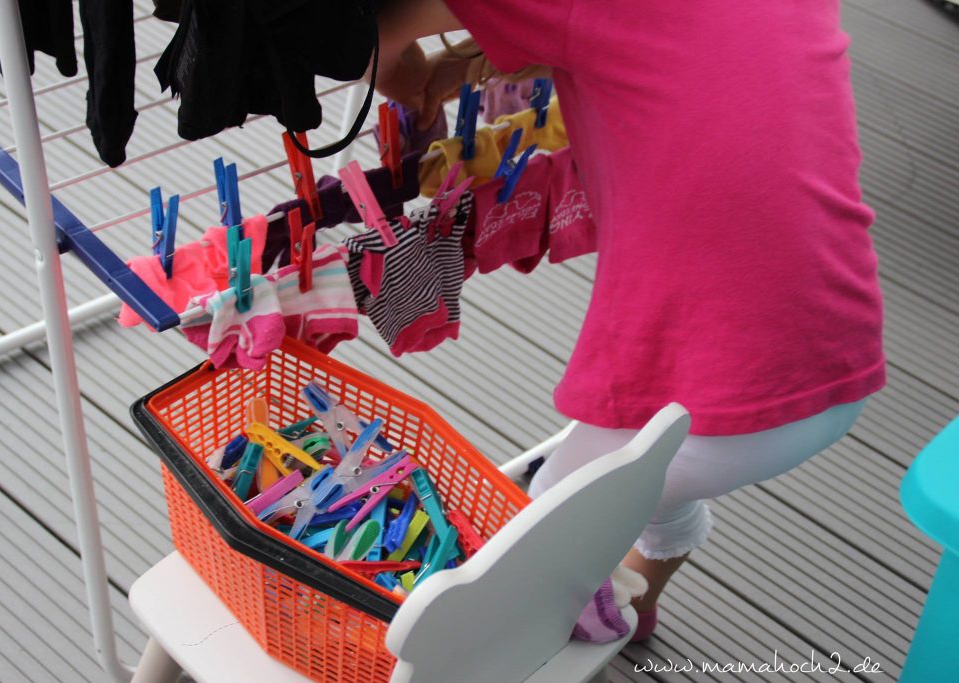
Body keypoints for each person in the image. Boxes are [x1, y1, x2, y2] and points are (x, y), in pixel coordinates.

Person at [374, 0, 885, 643]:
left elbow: (367, 32)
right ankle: (636, 607)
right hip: (830, 349)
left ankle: (533, 645)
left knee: (534, 540)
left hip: (732, 392)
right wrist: (456, 68)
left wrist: (414, 79)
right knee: (653, 473)